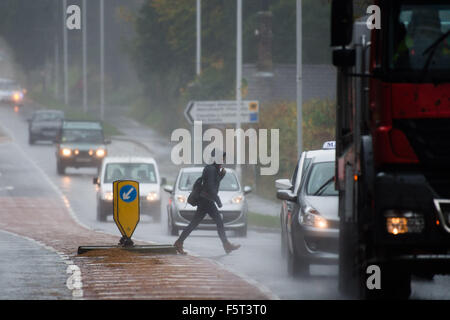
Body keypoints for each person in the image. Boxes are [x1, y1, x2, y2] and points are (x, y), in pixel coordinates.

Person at [174, 149, 241, 255]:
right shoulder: (210, 169)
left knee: (195, 223)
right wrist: (218, 201)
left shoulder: (212, 169)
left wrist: (221, 176)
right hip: (206, 200)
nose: (223, 160)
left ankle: (179, 242)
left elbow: (213, 183)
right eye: (222, 158)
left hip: (205, 200)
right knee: (218, 222)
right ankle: (226, 245)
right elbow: (210, 187)